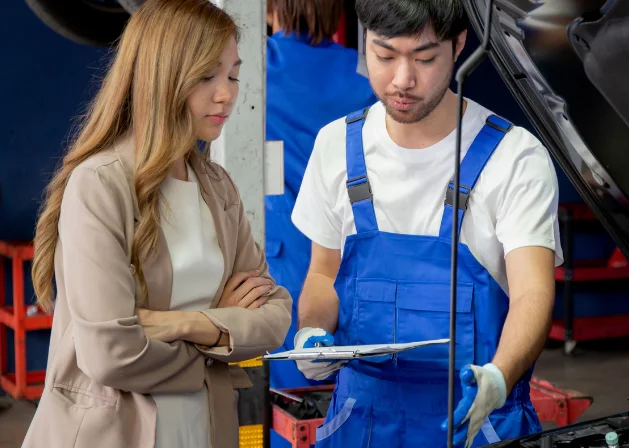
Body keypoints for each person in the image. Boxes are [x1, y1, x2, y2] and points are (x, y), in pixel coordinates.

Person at [289, 0, 563, 446]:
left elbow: (533, 292)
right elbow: (323, 272)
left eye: (424, 58)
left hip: (475, 423)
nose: (402, 80)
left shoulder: (515, 158)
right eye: (384, 55)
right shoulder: (334, 144)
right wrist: (311, 330)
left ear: (459, 45)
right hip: (360, 426)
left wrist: (499, 376)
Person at [22, 1, 292, 447]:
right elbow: (110, 354)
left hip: (203, 428)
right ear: (160, 75)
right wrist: (219, 334)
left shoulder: (217, 186)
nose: (226, 93)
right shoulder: (100, 185)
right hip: (114, 434)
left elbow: (274, 316)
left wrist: (183, 324)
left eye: (233, 74)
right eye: (207, 76)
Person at [264, 0, 376, 389]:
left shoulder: (253, 66)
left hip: (276, 269)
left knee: (282, 408)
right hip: (351, 264)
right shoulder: (368, 73)